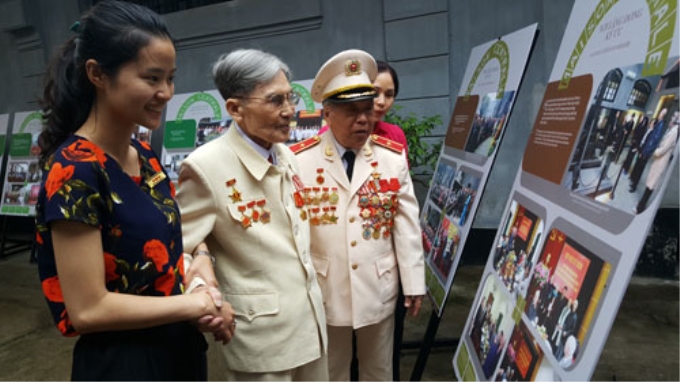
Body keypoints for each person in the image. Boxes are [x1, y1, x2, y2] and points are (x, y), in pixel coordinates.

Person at [34, 1, 234, 380]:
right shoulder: (74, 170)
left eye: (170, 78)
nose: (166, 92)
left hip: (179, 349)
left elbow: (167, 239)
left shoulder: (142, 153)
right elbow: (89, 309)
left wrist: (201, 265)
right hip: (124, 363)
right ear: (97, 74)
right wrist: (193, 305)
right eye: (151, 78)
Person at [175, 48, 328, 381]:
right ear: (235, 108)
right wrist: (203, 292)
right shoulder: (206, 167)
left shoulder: (285, 154)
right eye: (275, 101)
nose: (289, 111)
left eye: (291, 98)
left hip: (309, 326)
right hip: (259, 342)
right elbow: (176, 249)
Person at [291, 49, 425, 381]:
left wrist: (414, 282)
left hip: (377, 285)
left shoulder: (391, 158)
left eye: (367, 110)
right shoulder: (299, 161)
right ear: (327, 113)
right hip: (325, 288)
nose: (363, 120)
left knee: (379, 370)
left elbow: (405, 225)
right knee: (328, 371)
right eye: (352, 111)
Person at [318, 60, 410, 165]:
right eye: (375, 93)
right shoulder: (329, 133)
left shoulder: (395, 135)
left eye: (389, 95)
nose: (381, 102)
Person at [634, 113, 679, 213]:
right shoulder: (672, 130)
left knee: (651, 185)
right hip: (659, 161)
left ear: (676, 121)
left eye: (672, 117)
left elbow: (663, 149)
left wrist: (653, 151)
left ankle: (640, 208)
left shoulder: (674, 132)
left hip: (660, 162)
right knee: (649, 185)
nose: (670, 118)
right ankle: (641, 204)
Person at [629, 108, 667, 192]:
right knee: (637, 166)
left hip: (645, 153)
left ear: (663, 115)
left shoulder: (660, 126)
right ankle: (633, 181)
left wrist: (644, 152)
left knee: (640, 169)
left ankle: (634, 186)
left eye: (661, 112)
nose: (659, 113)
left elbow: (653, 142)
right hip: (643, 150)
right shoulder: (657, 125)